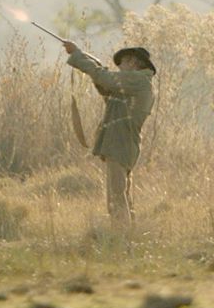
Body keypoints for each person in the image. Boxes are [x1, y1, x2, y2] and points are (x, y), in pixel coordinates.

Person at [61, 40, 156, 226]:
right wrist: (88, 63)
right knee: (122, 194)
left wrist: (78, 55)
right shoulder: (133, 85)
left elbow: (105, 78)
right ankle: (128, 234)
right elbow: (106, 87)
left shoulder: (137, 80)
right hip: (123, 143)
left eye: (123, 62)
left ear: (134, 63)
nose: (119, 66)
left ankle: (120, 236)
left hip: (121, 143)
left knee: (116, 196)